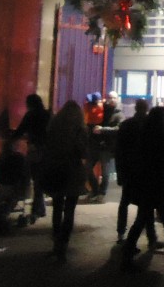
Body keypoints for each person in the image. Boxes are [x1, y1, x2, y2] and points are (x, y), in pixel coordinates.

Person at [120, 105, 164, 271]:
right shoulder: (161, 139)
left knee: (142, 220)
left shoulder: (145, 137)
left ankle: (126, 257)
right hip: (158, 186)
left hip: (145, 185)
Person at [42, 101, 89, 260]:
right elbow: (82, 152)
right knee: (69, 211)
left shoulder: (55, 126)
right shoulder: (79, 129)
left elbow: (47, 146)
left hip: (55, 169)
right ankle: (63, 245)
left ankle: (56, 242)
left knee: (57, 206)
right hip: (72, 172)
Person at [114, 99, 157, 246]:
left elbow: (119, 150)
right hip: (145, 171)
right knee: (146, 205)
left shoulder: (126, 125)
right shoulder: (150, 126)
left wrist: (120, 171)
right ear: (146, 109)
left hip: (129, 170)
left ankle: (121, 232)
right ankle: (151, 237)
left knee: (125, 202)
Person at [12, 94, 50, 221]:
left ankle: (37, 209)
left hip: (35, 149)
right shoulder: (48, 114)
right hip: (47, 150)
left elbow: (20, 130)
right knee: (40, 179)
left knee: (34, 178)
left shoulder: (31, 115)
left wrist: (11, 139)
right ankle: (40, 208)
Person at [91, 92, 122, 199]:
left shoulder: (119, 113)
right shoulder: (104, 110)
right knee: (88, 168)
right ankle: (95, 190)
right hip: (98, 144)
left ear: (118, 99)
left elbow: (119, 129)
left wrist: (102, 130)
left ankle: (101, 193)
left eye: (114, 98)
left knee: (105, 171)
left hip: (108, 146)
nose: (112, 99)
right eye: (110, 97)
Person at [83, 92, 105, 199]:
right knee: (90, 169)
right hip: (96, 145)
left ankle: (96, 191)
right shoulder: (102, 108)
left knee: (88, 168)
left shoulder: (97, 110)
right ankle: (97, 191)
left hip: (95, 146)